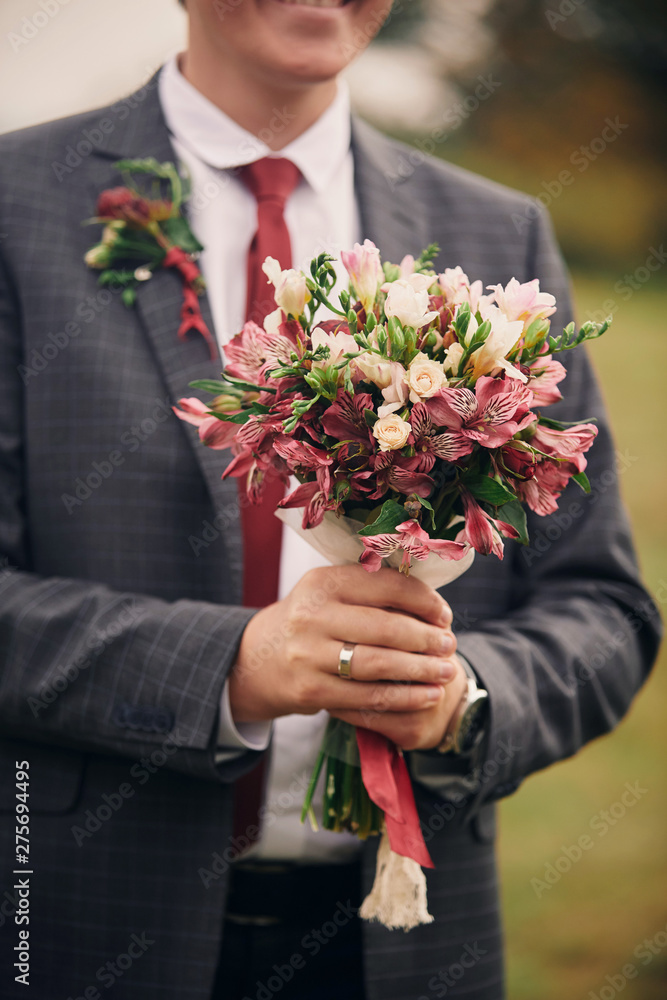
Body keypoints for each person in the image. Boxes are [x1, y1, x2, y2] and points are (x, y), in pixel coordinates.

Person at [0, 1, 661, 998]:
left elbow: (603, 609)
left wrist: (462, 697)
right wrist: (231, 666)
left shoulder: (496, 228)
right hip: (81, 918)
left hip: (402, 947)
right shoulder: (14, 202)